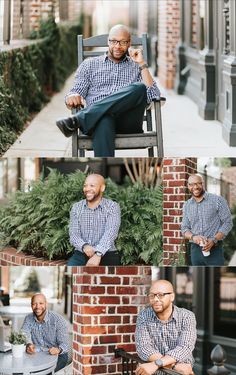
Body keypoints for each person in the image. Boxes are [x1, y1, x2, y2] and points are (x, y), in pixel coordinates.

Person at [56, 24, 160, 157]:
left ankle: (79, 120)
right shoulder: (89, 64)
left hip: (128, 122)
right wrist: (72, 96)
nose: (117, 46)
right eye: (114, 41)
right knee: (104, 118)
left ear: (129, 43)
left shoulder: (137, 66)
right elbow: (75, 92)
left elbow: (154, 95)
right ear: (108, 41)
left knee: (139, 88)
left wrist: (142, 64)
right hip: (99, 121)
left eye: (123, 42)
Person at [135, 280, 196, 375]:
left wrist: (156, 363)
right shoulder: (143, 316)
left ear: (172, 296)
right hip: (162, 371)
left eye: (160, 295)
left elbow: (185, 347)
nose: (155, 299)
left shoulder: (187, 316)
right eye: (152, 295)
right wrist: (173, 366)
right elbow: (144, 348)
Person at [68, 173, 121, 266]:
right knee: (70, 274)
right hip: (81, 253)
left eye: (92, 185)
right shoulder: (76, 207)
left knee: (110, 279)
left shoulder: (112, 207)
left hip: (107, 253)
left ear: (102, 188)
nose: (87, 189)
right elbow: (73, 234)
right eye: (85, 185)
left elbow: (111, 233)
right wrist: (85, 246)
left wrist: (98, 254)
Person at [181, 173, 233, 266]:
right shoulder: (187, 205)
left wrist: (214, 239)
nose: (195, 187)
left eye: (198, 183)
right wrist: (193, 237)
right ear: (188, 186)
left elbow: (228, 222)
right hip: (195, 251)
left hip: (215, 249)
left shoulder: (218, 200)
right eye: (191, 184)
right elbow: (184, 228)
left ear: (203, 183)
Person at [21, 293, 69, 373]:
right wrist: (29, 344)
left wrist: (58, 350)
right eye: (34, 304)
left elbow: (65, 345)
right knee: (22, 371)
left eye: (41, 303)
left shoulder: (58, 320)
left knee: (44, 372)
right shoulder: (28, 318)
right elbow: (24, 333)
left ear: (46, 304)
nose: (37, 307)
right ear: (31, 305)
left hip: (57, 355)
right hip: (37, 354)